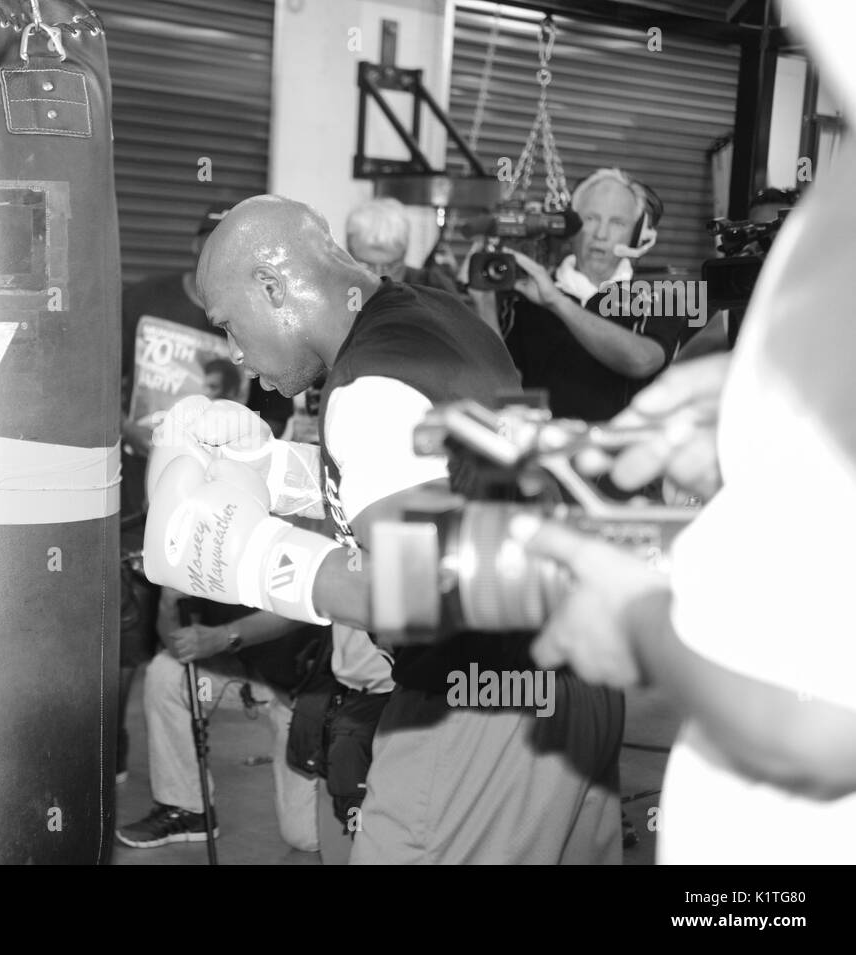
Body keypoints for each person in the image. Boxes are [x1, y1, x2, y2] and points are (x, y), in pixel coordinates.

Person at [142, 194, 624, 864]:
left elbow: (426, 584)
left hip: (479, 708)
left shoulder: (365, 388)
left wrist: (251, 557)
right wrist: (275, 469)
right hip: (578, 687)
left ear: (273, 287)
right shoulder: (436, 316)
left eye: (229, 324)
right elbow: (460, 474)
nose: (236, 354)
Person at [517, 0, 856, 863]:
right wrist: (736, 416)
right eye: (584, 217)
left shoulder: (659, 288)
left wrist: (640, 624)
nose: (594, 234)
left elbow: (821, 727)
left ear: (642, 233)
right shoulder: (834, 215)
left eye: (611, 221)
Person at [116, 204, 294, 783]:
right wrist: (123, 426)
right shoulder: (143, 298)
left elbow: (272, 406)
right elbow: (100, 375)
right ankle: (109, 754)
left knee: (183, 620)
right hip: (130, 485)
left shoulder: (255, 317)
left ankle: (261, 711)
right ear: (197, 245)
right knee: (122, 634)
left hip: (209, 496)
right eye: (210, 242)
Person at [116, 586, 325, 852]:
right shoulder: (197, 550)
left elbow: (303, 603)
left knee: (304, 836)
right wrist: (167, 604)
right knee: (169, 674)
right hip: (249, 681)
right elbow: (181, 650)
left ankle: (360, 782)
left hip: (305, 690)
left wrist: (225, 636)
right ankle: (187, 809)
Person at [499, 168, 693, 421]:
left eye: (617, 223)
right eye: (590, 218)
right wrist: (483, 300)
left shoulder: (662, 298)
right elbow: (501, 383)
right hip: (541, 449)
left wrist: (556, 303)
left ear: (636, 236)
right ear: (572, 226)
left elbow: (642, 361)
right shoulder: (526, 294)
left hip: (617, 452)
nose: (601, 234)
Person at [345, 196, 466, 299]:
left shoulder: (434, 290)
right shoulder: (334, 294)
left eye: (391, 266)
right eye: (367, 266)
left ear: (404, 253)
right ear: (348, 254)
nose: (379, 278)